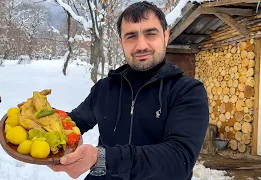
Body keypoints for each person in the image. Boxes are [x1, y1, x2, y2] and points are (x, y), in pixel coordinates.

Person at [49, 1, 209, 180]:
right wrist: (38, 117)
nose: (141, 45)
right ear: (121, 42)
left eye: (150, 34)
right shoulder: (104, 88)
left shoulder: (187, 91)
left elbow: (179, 161)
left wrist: (101, 158)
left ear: (166, 35)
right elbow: (72, 124)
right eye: (131, 36)